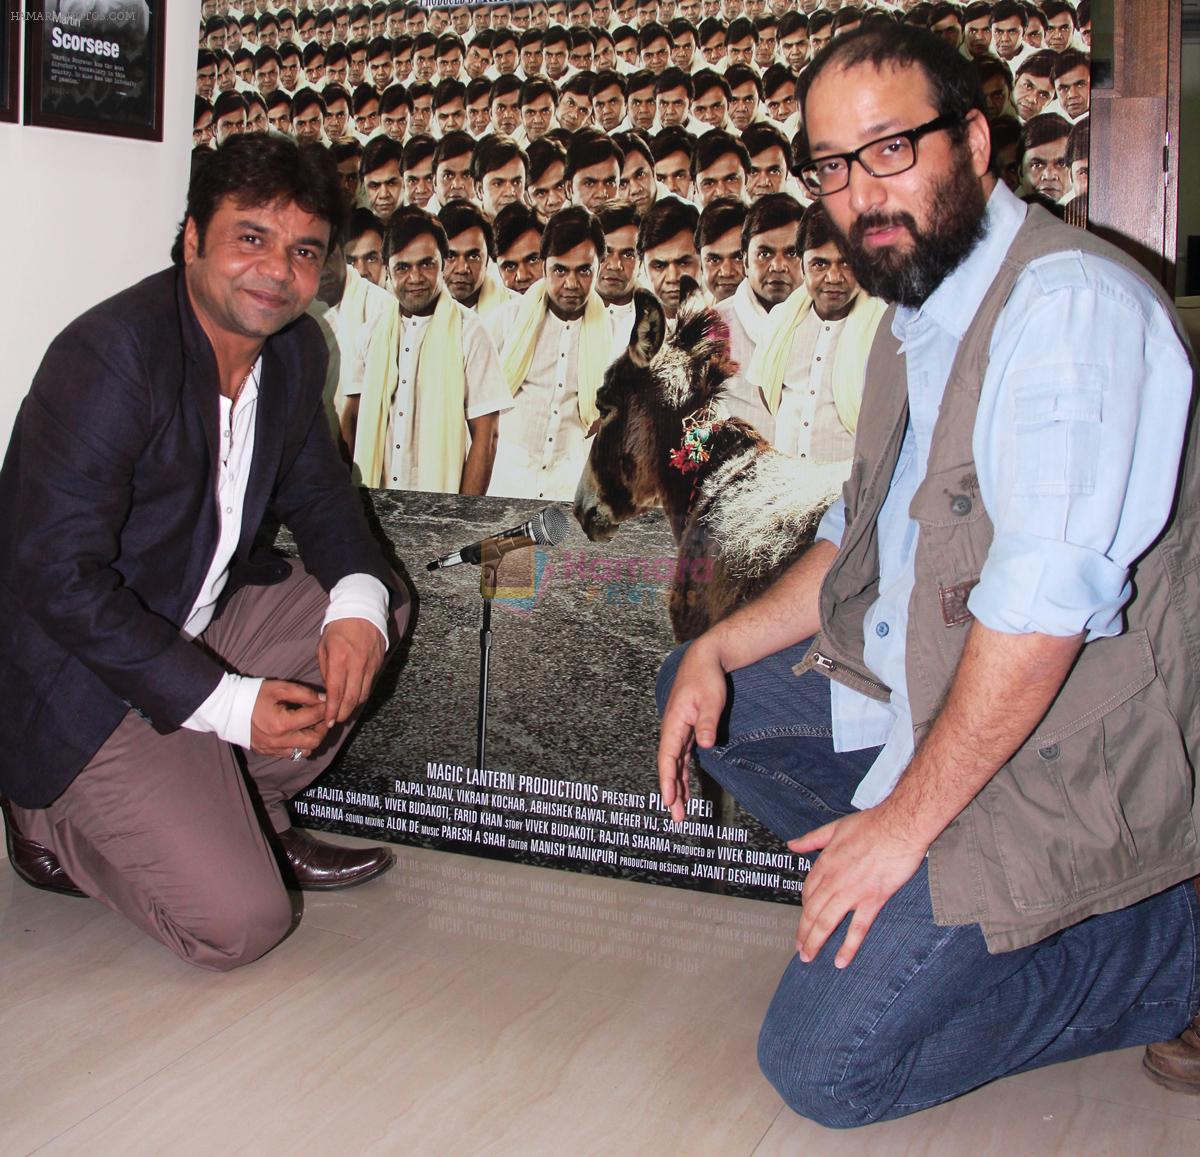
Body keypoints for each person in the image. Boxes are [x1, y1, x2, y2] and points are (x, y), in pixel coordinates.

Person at [656, 24, 1200, 1126]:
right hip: (938, 697)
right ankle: (973, 896)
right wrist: (714, 645)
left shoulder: (1067, 311)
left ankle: (1168, 942)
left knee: (824, 1069)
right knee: (718, 698)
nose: (862, 192)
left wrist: (901, 825)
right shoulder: (914, 313)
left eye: (893, 148)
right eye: (834, 167)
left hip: (1063, 748)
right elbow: (858, 542)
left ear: (977, 143)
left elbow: (1041, 621)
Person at [0, 135, 409, 971]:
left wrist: (359, 607)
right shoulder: (112, 355)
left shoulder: (294, 353)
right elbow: (55, 579)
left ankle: (245, 807)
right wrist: (223, 703)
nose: (276, 272)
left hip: (196, 618)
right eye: (249, 238)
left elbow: (326, 503)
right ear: (193, 238)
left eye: (303, 251)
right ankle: (43, 817)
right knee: (243, 923)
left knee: (375, 601)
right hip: (80, 677)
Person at [353, 206, 510, 494]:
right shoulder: (370, 333)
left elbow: (487, 436)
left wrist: (461, 517)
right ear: (387, 270)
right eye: (403, 267)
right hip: (372, 503)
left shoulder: (470, 332)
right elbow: (351, 421)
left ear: (443, 264)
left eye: (426, 264)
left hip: (441, 507)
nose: (415, 278)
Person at [488, 206, 615, 502]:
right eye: (560, 270)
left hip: (568, 489)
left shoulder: (614, 334)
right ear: (544, 265)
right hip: (505, 483)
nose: (571, 284)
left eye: (583, 270)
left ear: (600, 266)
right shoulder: (505, 321)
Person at [744, 201, 886, 458]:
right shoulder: (782, 321)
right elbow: (768, 390)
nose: (833, 277)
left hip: (848, 485)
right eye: (820, 264)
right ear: (801, 264)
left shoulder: (883, 328)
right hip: (787, 484)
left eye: (846, 263)